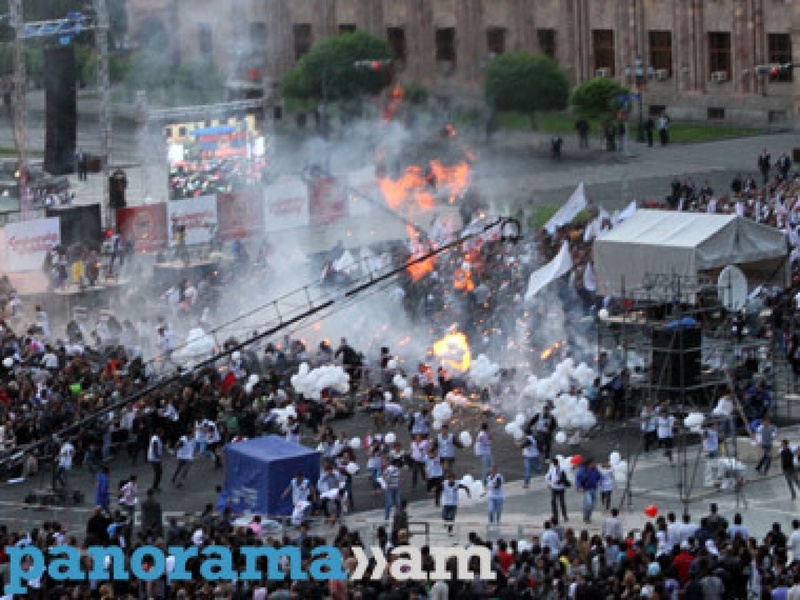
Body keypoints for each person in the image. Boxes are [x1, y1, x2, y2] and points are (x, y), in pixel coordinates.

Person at [576, 458, 601, 524]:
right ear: (589, 463)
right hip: (586, 489)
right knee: (588, 503)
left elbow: (598, 476)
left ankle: (588, 517)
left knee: (593, 505)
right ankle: (585, 516)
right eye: (593, 463)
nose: (594, 464)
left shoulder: (595, 470)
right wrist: (579, 487)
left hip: (594, 489)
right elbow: (578, 478)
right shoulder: (583, 470)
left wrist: (599, 481)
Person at [545, 457, 568, 522]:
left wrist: (550, 483)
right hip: (557, 487)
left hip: (557, 487)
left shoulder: (559, 469)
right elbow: (547, 477)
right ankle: (562, 515)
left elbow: (547, 477)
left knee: (556, 502)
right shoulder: (555, 469)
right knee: (559, 502)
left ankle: (559, 515)